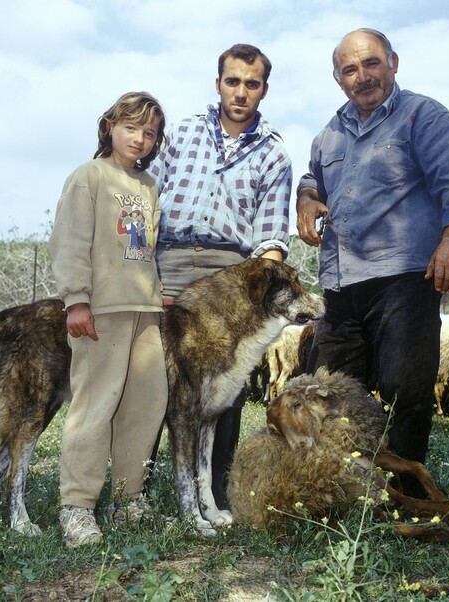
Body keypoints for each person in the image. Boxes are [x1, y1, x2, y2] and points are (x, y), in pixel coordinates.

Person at [296, 29, 449, 495]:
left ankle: (406, 493)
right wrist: (306, 198)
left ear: (393, 62)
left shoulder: (424, 117)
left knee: (405, 386)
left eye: (372, 63)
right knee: (329, 389)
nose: (363, 77)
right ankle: (339, 489)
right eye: (350, 69)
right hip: (340, 284)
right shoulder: (329, 134)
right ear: (338, 78)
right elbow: (311, 176)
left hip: (404, 276)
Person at [150, 43, 292, 509]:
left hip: (227, 272)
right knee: (154, 374)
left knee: (223, 385)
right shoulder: (181, 132)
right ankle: (137, 491)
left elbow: (271, 237)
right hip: (166, 259)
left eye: (252, 84)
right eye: (233, 81)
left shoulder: (274, 154)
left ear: (264, 90)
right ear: (218, 84)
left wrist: (255, 292)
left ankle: (214, 493)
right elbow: (145, 192)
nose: (241, 91)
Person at [49, 91, 169, 548]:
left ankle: (126, 500)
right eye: (131, 127)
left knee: (144, 406)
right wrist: (76, 300)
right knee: (95, 405)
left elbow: (143, 251)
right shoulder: (89, 176)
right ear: (110, 127)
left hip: (145, 311)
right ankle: (77, 507)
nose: (139, 139)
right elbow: (71, 242)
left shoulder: (149, 185)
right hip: (100, 310)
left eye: (149, 132)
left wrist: (158, 298)